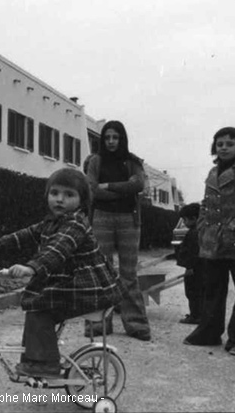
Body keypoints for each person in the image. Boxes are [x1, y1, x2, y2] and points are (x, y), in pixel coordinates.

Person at [0, 168, 125, 377]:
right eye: (54, 193)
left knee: (41, 310)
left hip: (89, 288)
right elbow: (28, 233)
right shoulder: (53, 221)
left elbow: (57, 250)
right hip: (71, 283)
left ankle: (44, 365)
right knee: (35, 305)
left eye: (69, 194)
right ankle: (35, 358)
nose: (60, 199)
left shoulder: (75, 224)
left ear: (82, 201)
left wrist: (31, 267)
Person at [184, 127, 235, 357]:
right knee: (212, 288)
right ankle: (209, 333)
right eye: (220, 144)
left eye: (230, 144)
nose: (224, 148)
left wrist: (234, 227)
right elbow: (205, 204)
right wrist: (202, 226)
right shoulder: (213, 172)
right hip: (212, 243)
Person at [83, 120, 151, 341]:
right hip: (101, 218)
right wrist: (124, 189)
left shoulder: (133, 161)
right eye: (107, 137)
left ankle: (137, 325)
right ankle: (98, 324)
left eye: (115, 137)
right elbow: (92, 190)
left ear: (122, 139)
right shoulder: (95, 161)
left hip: (129, 220)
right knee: (101, 271)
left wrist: (109, 186)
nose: (111, 141)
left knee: (128, 274)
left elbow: (138, 185)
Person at [176, 203, 205, 325]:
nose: (184, 222)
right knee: (200, 292)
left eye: (185, 220)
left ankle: (195, 316)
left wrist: (189, 267)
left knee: (192, 292)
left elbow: (193, 252)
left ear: (193, 218)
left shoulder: (193, 233)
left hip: (194, 269)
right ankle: (200, 314)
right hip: (201, 268)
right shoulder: (201, 231)